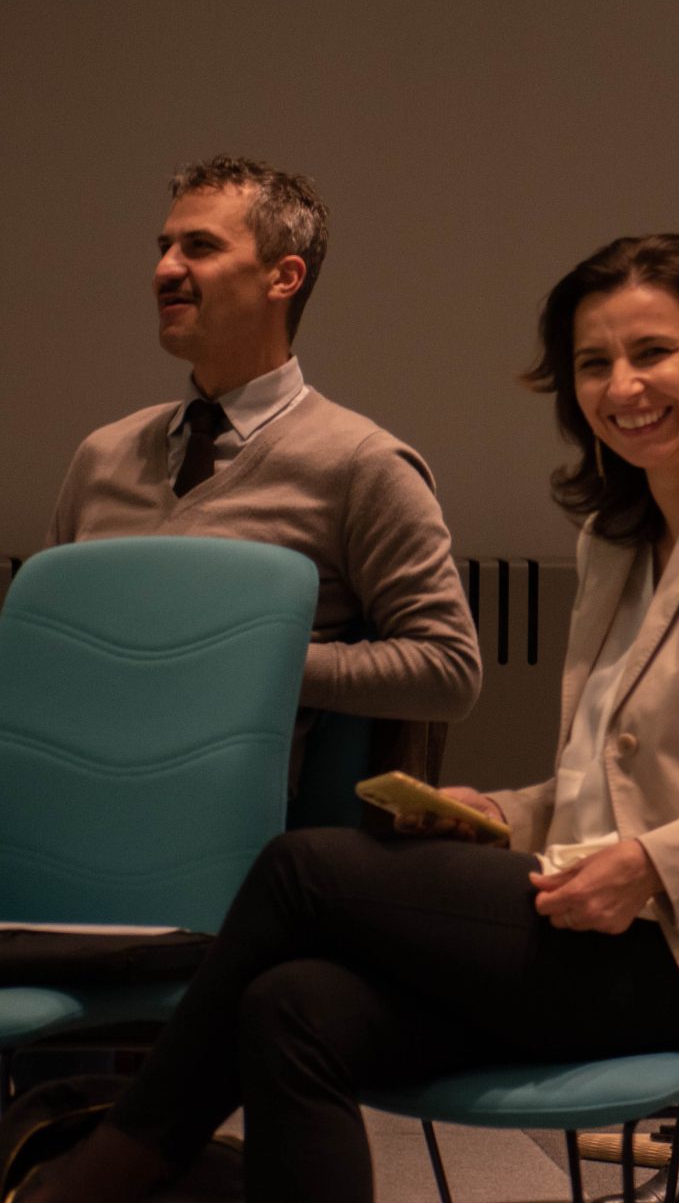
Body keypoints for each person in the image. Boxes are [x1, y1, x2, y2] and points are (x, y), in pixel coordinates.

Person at [0, 233, 679, 1203]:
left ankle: (92, 1193)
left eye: (652, 352)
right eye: (594, 363)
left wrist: (652, 862)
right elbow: (615, 774)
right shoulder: (621, 535)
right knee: (292, 1007)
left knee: (302, 870)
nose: (621, 387)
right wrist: (504, 813)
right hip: (614, 922)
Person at [50, 156, 480, 784]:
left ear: (284, 277)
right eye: (165, 248)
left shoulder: (362, 465)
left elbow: (448, 670)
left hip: (231, 819)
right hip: (62, 790)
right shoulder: (102, 456)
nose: (165, 269)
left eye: (200, 247)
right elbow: (43, 648)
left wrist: (252, 662)